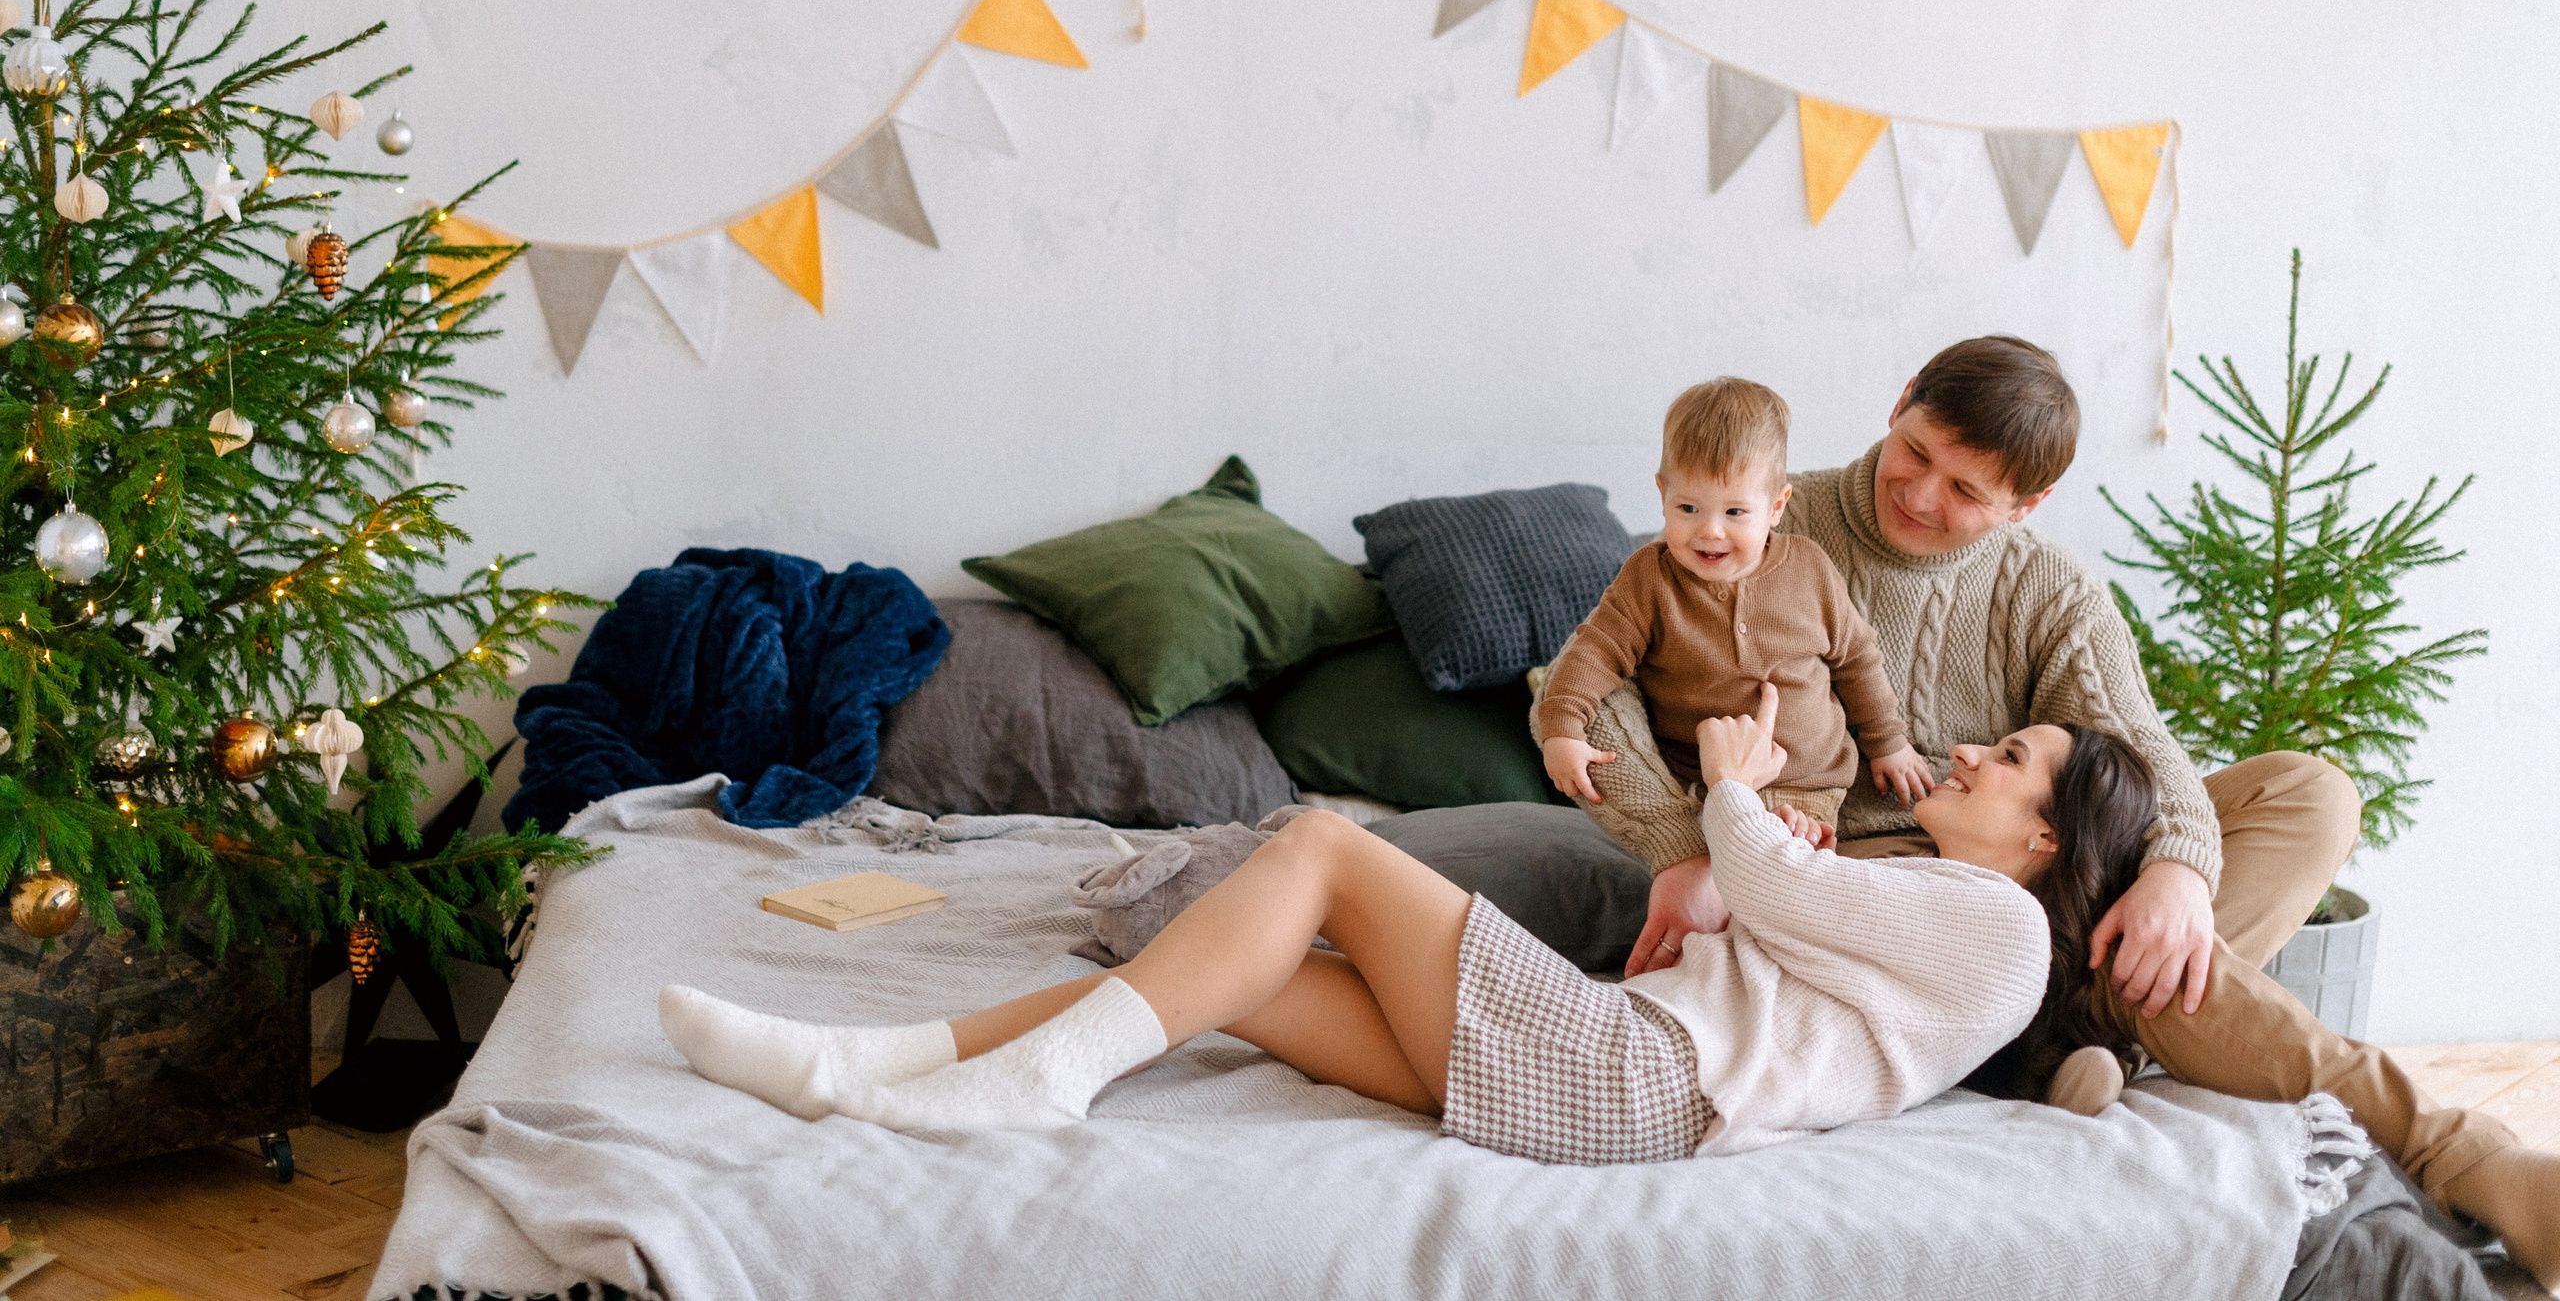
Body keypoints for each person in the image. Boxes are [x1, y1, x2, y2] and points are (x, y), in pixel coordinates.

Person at [1570, 335, 2555, 1283]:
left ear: (2027, 501)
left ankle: (2088, 1034)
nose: (1918, 494)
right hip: (1854, 882)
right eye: (1914, 451)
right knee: (2120, 950)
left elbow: (2143, 750)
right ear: (1902, 395)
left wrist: (2173, 872)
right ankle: (2463, 1156)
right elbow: (1592, 680)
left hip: (2017, 873)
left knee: (2307, 794)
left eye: (1964, 489)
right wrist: (1677, 845)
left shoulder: (2044, 590)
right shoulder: (1765, 515)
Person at [657, 699, 2156, 1168]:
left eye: (2010, 761)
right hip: (1616, 1088)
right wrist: (1742, 867)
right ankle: (860, 1061)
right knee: (1228, 980)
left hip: (1632, 1080)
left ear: (2047, 840)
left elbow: (1776, 888)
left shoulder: (2006, 936)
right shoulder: (1950, 903)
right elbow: (1788, 917)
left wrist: (1734, 784)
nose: (1970, 754)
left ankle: (1035, 1083)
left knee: (1320, 841)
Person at [1534, 377, 1930, 839]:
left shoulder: (1809, 569)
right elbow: (1595, 651)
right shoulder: (1650, 578)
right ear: (1662, 494)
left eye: (1735, 513)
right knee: (1726, 859)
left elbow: (1857, 660)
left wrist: (1887, 743)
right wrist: (1562, 728)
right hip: (1700, 783)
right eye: (1688, 508)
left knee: (1785, 858)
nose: (1710, 531)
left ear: (1776, 506)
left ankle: (1792, 839)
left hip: (1806, 780)